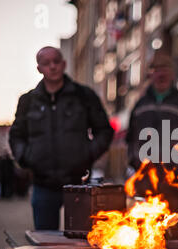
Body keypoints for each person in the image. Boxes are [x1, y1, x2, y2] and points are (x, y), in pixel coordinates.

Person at [9, 46, 114, 230]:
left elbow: (104, 130)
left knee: (81, 241)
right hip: (43, 184)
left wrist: (87, 155)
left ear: (64, 64)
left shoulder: (84, 96)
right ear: (39, 68)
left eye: (56, 61)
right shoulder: (28, 101)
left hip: (78, 183)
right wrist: (26, 158)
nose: (52, 67)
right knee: (46, 243)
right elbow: (17, 135)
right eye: (46, 63)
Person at [126, 51, 178, 239]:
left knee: (177, 241)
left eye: (165, 69)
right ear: (150, 73)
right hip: (145, 186)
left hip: (177, 188)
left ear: (172, 73)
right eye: (156, 69)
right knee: (146, 240)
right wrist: (136, 164)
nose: (160, 74)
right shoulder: (140, 105)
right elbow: (130, 140)